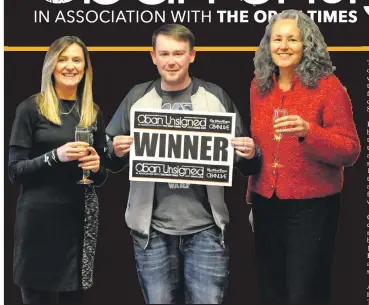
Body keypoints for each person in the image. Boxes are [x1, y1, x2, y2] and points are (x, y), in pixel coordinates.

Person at [105, 24, 261, 304]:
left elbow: (244, 163)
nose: (171, 60)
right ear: (153, 56)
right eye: (164, 53)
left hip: (206, 230)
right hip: (151, 233)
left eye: (178, 53)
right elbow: (109, 157)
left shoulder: (216, 97)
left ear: (192, 55)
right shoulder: (137, 97)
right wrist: (115, 150)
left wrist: (251, 154)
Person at [247, 10, 361, 305]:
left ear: (307, 45)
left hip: (312, 209)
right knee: (271, 289)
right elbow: (263, 146)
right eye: (277, 39)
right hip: (266, 203)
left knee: (304, 293)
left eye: (292, 39)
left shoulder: (329, 88)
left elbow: (349, 150)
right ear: (267, 45)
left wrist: (308, 132)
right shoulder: (260, 87)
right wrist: (252, 197)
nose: (283, 46)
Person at [8, 36, 107, 305]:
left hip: (78, 223)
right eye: (62, 59)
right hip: (38, 223)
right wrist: (55, 156)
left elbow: (99, 176)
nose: (70, 66)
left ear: (86, 68)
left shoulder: (92, 112)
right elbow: (15, 171)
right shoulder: (31, 109)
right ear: (51, 65)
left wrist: (98, 167)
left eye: (77, 60)